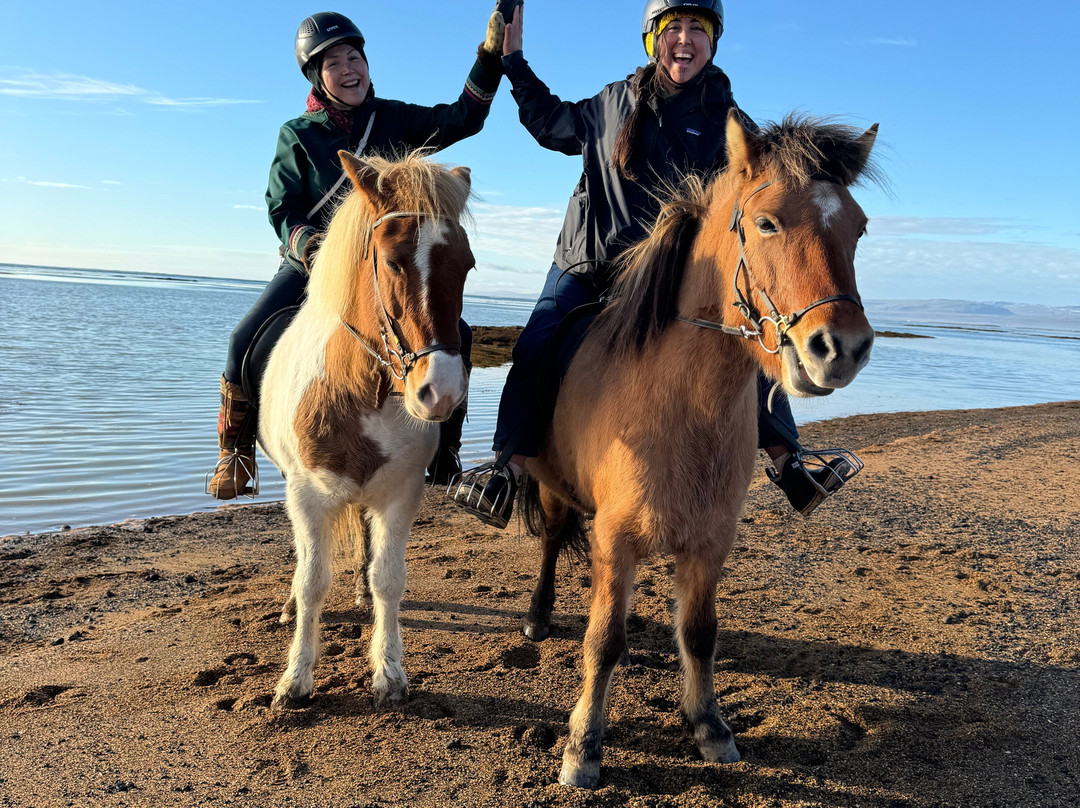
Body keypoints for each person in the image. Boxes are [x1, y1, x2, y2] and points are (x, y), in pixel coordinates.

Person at [452, 0, 858, 528]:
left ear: (713, 43)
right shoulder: (612, 103)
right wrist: (513, 61)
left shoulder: (730, 123)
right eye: (674, 29)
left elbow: (778, 179)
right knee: (537, 340)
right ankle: (506, 466)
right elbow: (548, 122)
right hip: (591, 258)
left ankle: (790, 462)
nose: (685, 40)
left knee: (753, 334)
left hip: (671, 274)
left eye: (698, 29)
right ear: (653, 40)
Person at [207, 8, 508, 499]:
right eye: (332, 64)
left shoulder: (393, 118)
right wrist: (311, 249)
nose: (348, 70)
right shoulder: (298, 134)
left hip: (385, 265)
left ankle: (445, 454)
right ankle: (235, 452)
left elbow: (463, 118)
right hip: (314, 265)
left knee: (460, 335)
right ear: (316, 77)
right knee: (243, 341)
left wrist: (490, 58)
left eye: (354, 57)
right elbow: (283, 207)